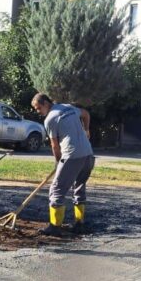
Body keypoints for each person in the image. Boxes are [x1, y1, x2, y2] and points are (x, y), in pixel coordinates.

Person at [31, 93, 95, 236]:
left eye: (38, 108)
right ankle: (79, 223)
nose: (38, 111)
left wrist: (58, 163)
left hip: (72, 156)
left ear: (46, 103)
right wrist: (86, 130)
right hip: (88, 154)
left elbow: (55, 146)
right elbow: (86, 114)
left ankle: (55, 226)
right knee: (79, 187)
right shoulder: (68, 107)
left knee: (56, 190)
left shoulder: (50, 119)